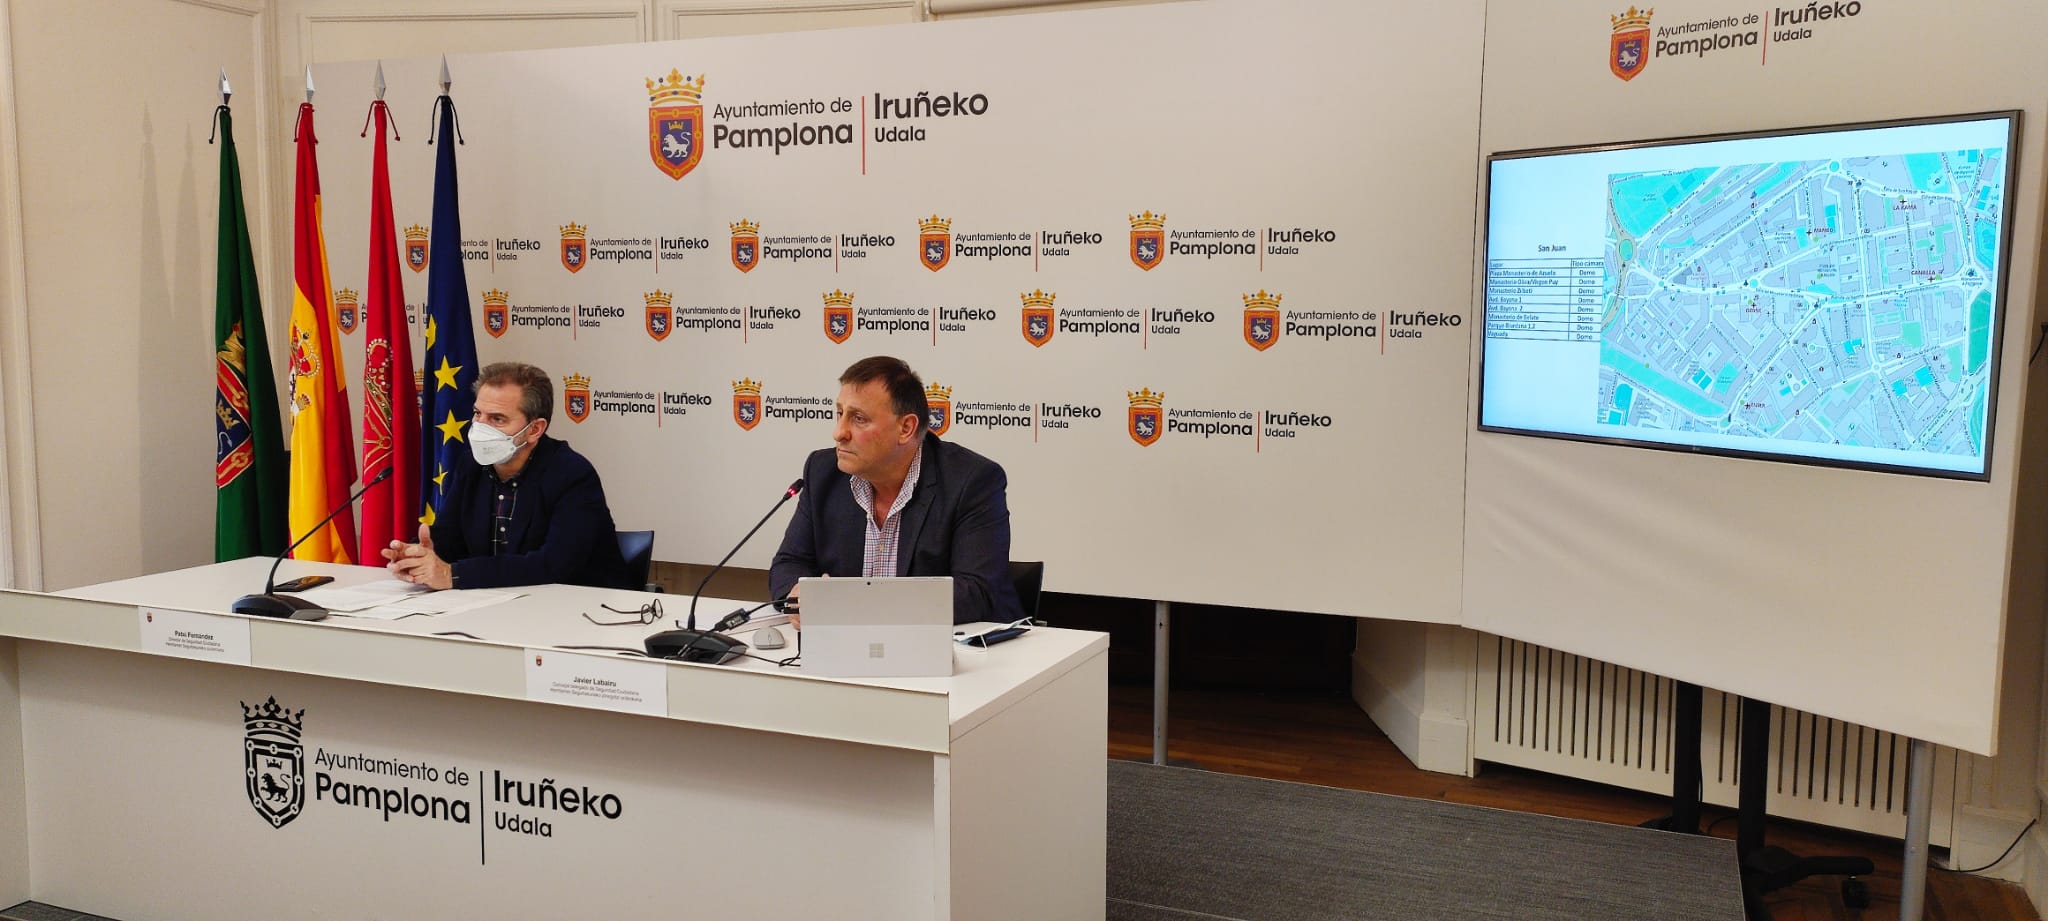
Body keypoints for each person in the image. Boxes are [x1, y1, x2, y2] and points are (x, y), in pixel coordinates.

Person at [770, 356, 1025, 626]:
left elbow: (975, 593)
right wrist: (797, 596)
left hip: (968, 654)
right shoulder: (823, 472)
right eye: (839, 413)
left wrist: (855, 604)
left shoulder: (972, 480)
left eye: (858, 418)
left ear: (906, 428)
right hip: (849, 648)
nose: (839, 432)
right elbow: (789, 562)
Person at [383, 361, 631, 590]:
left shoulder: (572, 474)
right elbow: (451, 537)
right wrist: (419, 555)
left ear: (535, 429)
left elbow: (554, 565)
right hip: (496, 605)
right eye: (478, 414)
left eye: (497, 419)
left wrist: (452, 575)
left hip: (582, 610)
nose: (480, 427)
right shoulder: (471, 464)